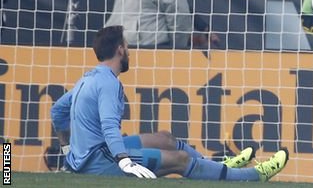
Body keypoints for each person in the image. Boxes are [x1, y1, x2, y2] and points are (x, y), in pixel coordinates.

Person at [50, 25, 288, 180]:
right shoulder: (109, 84)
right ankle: (254, 176)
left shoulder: (88, 77)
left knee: (165, 139)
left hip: (94, 153)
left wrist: (68, 151)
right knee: (180, 160)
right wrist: (124, 160)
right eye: (128, 46)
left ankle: (220, 165)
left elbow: (57, 111)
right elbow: (110, 127)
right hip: (102, 160)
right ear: (120, 50)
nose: (130, 51)